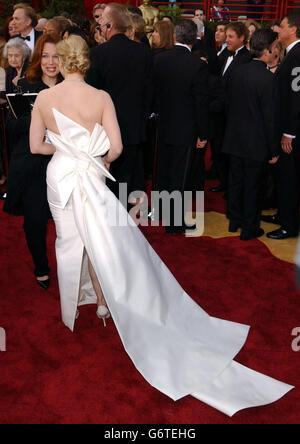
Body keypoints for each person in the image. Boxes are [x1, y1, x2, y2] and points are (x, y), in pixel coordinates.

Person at [29, 33, 293, 417]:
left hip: (60, 176)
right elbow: (115, 150)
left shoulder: (44, 99)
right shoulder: (101, 99)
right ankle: (105, 303)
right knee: (103, 239)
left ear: (62, 62)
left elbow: (37, 146)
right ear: (86, 62)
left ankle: (75, 305)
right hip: (89, 171)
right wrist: (87, 150)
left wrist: (66, 148)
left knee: (69, 239)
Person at [3, 34, 62, 289]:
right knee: (35, 221)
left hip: (64, 162)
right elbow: (11, 127)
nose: (51, 62)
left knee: (69, 221)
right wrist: (37, 115)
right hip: (33, 163)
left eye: (57, 56)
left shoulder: (71, 85)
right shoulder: (26, 83)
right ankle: (41, 265)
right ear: (39, 57)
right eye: (46, 55)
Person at [85, 3, 153, 207]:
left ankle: (110, 228)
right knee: (127, 182)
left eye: (103, 25)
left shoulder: (98, 54)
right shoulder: (143, 52)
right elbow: (149, 92)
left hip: (104, 131)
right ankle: (124, 224)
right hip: (134, 129)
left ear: (110, 26)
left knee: (106, 183)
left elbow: (92, 94)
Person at [222, 29, 279, 240]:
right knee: (254, 186)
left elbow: (227, 102)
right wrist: (274, 149)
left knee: (236, 182)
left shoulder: (237, 71)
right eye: (276, 48)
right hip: (257, 143)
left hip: (234, 138)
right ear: (268, 50)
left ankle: (234, 221)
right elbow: (270, 119)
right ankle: (249, 229)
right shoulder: (268, 79)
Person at [153, 19, 208, 234]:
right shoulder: (197, 66)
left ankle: (161, 212)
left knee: (163, 170)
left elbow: (153, 94)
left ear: (174, 37)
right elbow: (200, 103)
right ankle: (174, 223)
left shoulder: (158, 60)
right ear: (194, 39)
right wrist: (204, 133)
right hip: (186, 130)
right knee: (179, 175)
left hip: (163, 125)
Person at [263, 13, 300, 240]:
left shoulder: (297, 56)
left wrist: (289, 133)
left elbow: (297, 97)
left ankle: (289, 224)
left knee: (290, 178)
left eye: (282, 26)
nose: (278, 30)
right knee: (284, 177)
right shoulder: (292, 53)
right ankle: (283, 214)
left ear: (294, 29)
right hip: (287, 127)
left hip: (292, 132)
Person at [209, 22, 251, 194]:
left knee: (231, 152)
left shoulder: (247, 58)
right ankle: (223, 181)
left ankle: (232, 186)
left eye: (231, 37)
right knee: (218, 148)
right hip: (219, 113)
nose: (227, 40)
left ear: (242, 38)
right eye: (226, 36)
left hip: (233, 114)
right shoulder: (224, 54)